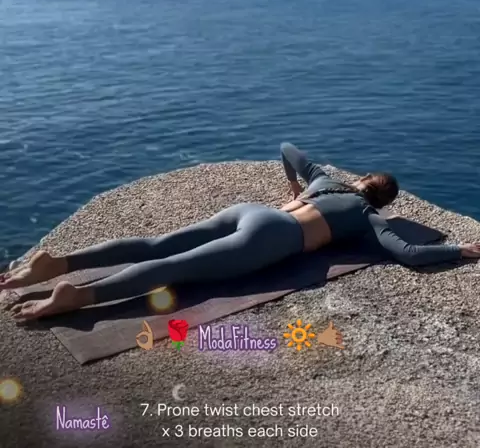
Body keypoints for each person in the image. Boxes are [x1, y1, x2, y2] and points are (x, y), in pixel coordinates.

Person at [2, 142, 479, 321]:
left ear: (363, 179)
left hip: (250, 212)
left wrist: (294, 187)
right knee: (174, 267)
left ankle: (58, 263)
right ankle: (78, 297)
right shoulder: (368, 217)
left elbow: (288, 147)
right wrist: (462, 250)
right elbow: (409, 253)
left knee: (158, 244)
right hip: (272, 238)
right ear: (383, 202)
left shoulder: (326, 179)